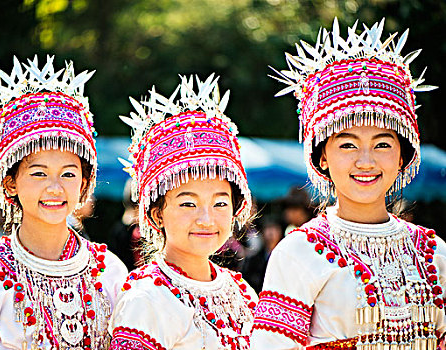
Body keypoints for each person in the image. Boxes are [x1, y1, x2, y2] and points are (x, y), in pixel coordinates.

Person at [250, 19, 446, 349]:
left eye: (383, 144)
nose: (366, 161)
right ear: (321, 156)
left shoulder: (435, 254)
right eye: (348, 144)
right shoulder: (299, 254)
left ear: (403, 157)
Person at [0, 56, 127, 350]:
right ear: (10, 183)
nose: (55, 188)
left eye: (68, 174)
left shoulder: (110, 271)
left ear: (84, 183)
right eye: (39, 173)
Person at [109, 74, 258, 349]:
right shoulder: (146, 299)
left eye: (220, 203)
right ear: (157, 215)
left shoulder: (242, 293)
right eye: (188, 203)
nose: (206, 218)